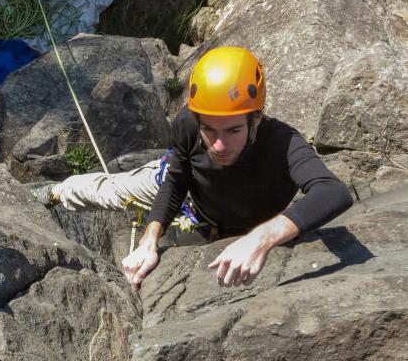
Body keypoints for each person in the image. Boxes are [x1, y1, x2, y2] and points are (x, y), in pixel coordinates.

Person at [34, 46, 353, 290]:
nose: (218, 145)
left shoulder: (282, 144)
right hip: (190, 198)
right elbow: (176, 178)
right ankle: (58, 191)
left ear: (255, 120)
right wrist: (150, 238)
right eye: (209, 131)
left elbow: (333, 191)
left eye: (232, 131)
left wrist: (262, 238)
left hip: (234, 225)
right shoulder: (188, 122)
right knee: (114, 190)